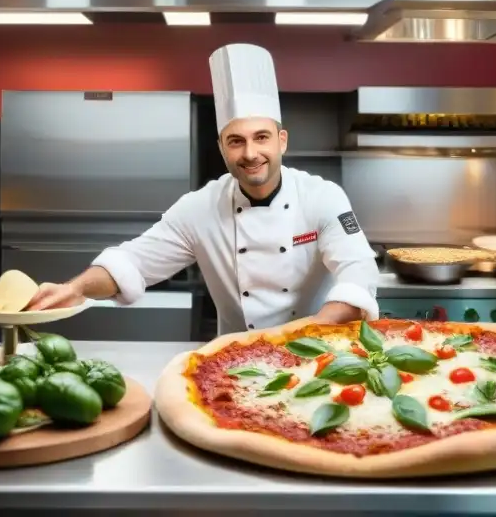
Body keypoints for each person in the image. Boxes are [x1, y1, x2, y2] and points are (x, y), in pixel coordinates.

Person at [27, 43, 380, 334]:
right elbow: (132, 261)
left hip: (314, 351)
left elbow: (358, 269)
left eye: (262, 138)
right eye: (236, 141)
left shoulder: (323, 197)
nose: (251, 153)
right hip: (233, 361)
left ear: (282, 141)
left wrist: (310, 331)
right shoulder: (199, 208)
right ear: (222, 147)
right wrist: (75, 289)